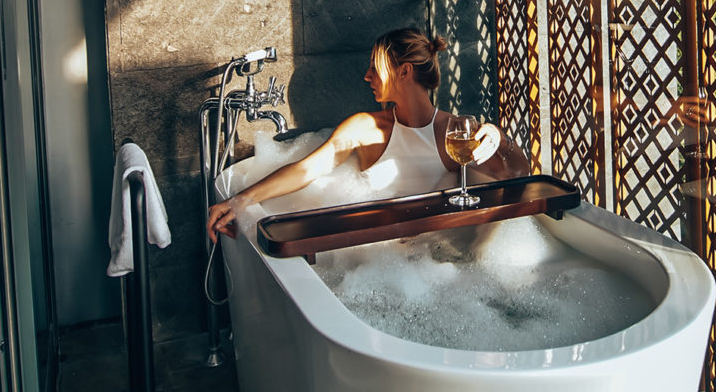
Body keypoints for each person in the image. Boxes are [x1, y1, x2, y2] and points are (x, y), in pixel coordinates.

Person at [207, 28, 530, 242]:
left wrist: (499, 137)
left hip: (433, 255)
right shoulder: (364, 126)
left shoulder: (452, 131)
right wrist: (242, 200)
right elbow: (309, 168)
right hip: (372, 257)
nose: (366, 76)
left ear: (403, 71)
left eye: (375, 68)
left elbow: (516, 174)